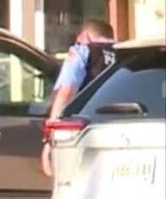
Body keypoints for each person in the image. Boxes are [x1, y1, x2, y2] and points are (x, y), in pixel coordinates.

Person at [41, 19, 116, 176]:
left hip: (87, 130)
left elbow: (66, 92)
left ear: (84, 35)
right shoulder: (126, 55)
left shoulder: (82, 51)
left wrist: (50, 136)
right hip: (121, 125)